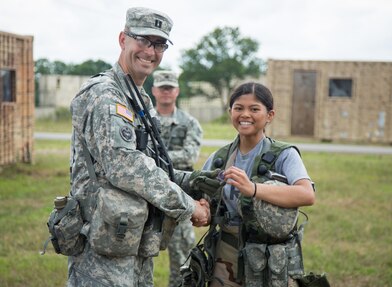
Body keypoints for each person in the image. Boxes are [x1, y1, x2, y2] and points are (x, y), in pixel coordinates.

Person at [68, 7, 215, 287]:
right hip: (100, 247)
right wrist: (188, 206)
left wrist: (192, 181)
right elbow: (125, 166)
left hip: (130, 239)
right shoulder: (105, 94)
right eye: (143, 40)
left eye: (159, 44)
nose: (150, 51)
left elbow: (152, 163)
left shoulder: (140, 100)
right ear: (123, 39)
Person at [196, 82, 316, 287]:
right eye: (238, 108)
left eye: (254, 109)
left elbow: (307, 195)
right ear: (230, 112)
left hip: (270, 258)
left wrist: (254, 189)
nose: (245, 115)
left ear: (270, 115)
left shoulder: (284, 154)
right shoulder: (220, 158)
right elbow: (202, 200)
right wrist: (203, 212)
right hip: (226, 255)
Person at [152, 70, 203, 287]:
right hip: (147, 196)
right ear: (154, 90)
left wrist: (153, 158)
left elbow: (190, 155)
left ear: (177, 91)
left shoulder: (189, 123)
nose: (166, 92)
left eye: (170, 88)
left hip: (178, 196)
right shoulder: (144, 119)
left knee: (183, 259)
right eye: (162, 88)